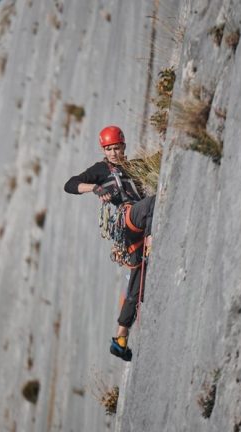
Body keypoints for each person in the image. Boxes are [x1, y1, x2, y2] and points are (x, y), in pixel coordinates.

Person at [64, 125, 156, 361]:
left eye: (117, 148)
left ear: (124, 147)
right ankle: (151, 237)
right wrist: (94, 188)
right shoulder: (101, 169)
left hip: (134, 234)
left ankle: (120, 340)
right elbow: (70, 184)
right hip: (127, 221)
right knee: (151, 204)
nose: (114, 152)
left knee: (137, 284)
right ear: (104, 150)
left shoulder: (134, 166)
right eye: (110, 149)